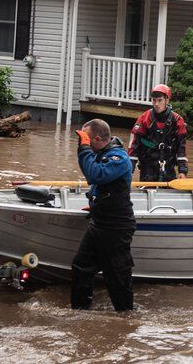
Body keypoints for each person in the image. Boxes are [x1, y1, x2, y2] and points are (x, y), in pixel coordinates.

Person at [71, 119, 136, 312]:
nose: (83, 143)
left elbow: (96, 175)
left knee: (116, 276)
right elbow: (99, 186)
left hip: (116, 227)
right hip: (99, 222)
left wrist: (83, 149)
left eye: (86, 139)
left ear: (97, 139)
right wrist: (95, 205)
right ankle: (79, 312)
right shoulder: (101, 153)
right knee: (81, 267)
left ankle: (126, 320)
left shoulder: (119, 158)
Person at [129, 84, 189, 182]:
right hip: (147, 168)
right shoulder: (144, 119)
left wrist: (182, 171)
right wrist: (129, 171)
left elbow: (181, 148)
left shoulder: (178, 120)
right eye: (154, 100)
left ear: (167, 100)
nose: (156, 104)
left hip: (168, 167)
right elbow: (134, 146)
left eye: (160, 100)